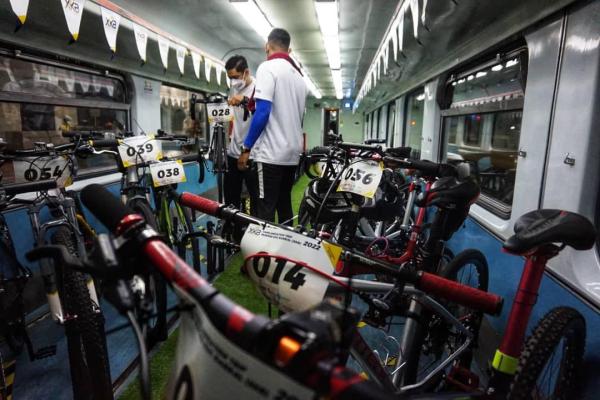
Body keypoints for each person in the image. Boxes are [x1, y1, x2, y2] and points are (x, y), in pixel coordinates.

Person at [237, 28, 308, 224]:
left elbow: (262, 112)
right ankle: (287, 243)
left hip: (270, 154)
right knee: (284, 205)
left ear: (267, 46)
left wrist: (246, 148)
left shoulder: (267, 68)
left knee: (264, 210)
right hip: (292, 154)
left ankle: (264, 246)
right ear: (288, 48)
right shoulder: (300, 78)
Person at [223, 54, 257, 213]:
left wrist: (245, 100)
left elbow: (262, 115)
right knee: (230, 201)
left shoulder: (258, 89)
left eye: (235, 77)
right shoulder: (234, 88)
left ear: (246, 72)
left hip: (253, 154)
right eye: (230, 78)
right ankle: (233, 227)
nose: (233, 82)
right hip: (233, 152)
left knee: (256, 202)